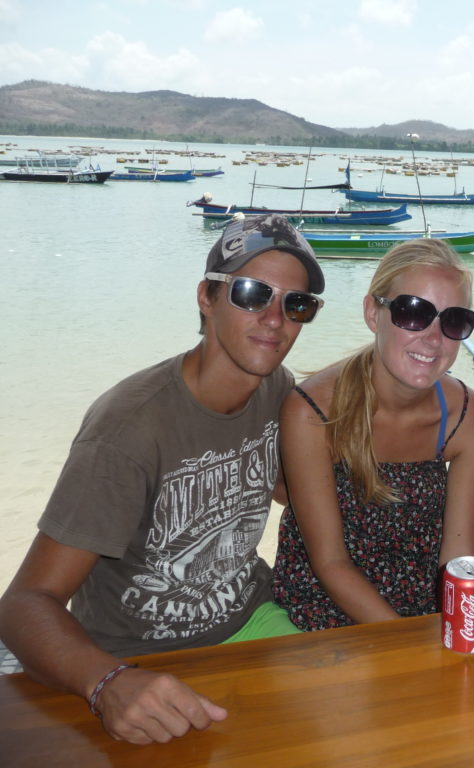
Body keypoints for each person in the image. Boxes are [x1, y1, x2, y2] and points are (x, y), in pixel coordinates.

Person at [0, 214, 326, 743]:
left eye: (297, 304)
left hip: (250, 617)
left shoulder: (275, 387)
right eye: (251, 293)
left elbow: (287, 486)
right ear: (207, 297)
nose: (275, 318)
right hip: (134, 654)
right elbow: (23, 604)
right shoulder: (127, 430)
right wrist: (107, 683)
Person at [272, 238, 474, 629]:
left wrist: (461, 630)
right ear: (373, 313)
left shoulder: (468, 417)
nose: (434, 337)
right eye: (413, 313)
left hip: (419, 615)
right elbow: (330, 562)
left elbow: (457, 555)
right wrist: (408, 645)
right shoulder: (313, 412)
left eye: (454, 320)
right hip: (321, 611)